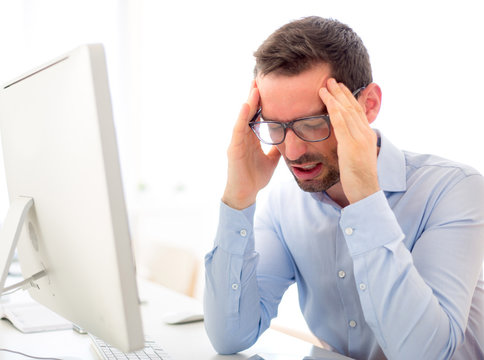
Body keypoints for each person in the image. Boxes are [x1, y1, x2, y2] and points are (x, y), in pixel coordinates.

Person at [203, 16, 484, 360]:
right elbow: (229, 337)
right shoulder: (283, 206)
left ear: (368, 105)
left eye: (311, 124)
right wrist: (239, 197)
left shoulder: (454, 190)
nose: (291, 152)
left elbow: (424, 355)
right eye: (275, 126)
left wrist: (365, 198)